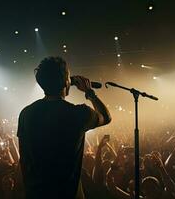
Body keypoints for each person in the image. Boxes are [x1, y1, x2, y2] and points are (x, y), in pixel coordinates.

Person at [17, 57, 112, 199]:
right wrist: (89, 92)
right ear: (66, 81)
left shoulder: (26, 113)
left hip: (36, 193)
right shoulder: (79, 113)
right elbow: (106, 117)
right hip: (67, 192)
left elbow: (23, 158)